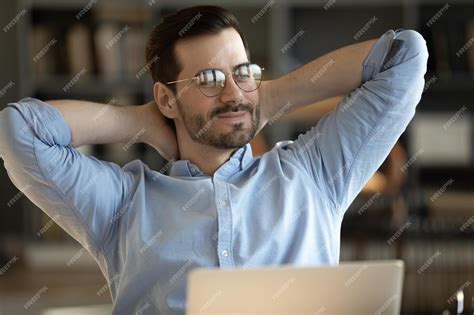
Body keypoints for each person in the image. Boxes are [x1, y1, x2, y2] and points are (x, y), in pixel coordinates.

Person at [0, 5, 428, 314]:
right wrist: (144, 124)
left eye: (243, 72)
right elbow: (18, 130)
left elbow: (406, 57)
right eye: (208, 79)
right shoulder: (124, 203)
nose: (232, 93)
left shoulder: (314, 173)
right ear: (166, 98)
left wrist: (266, 98)